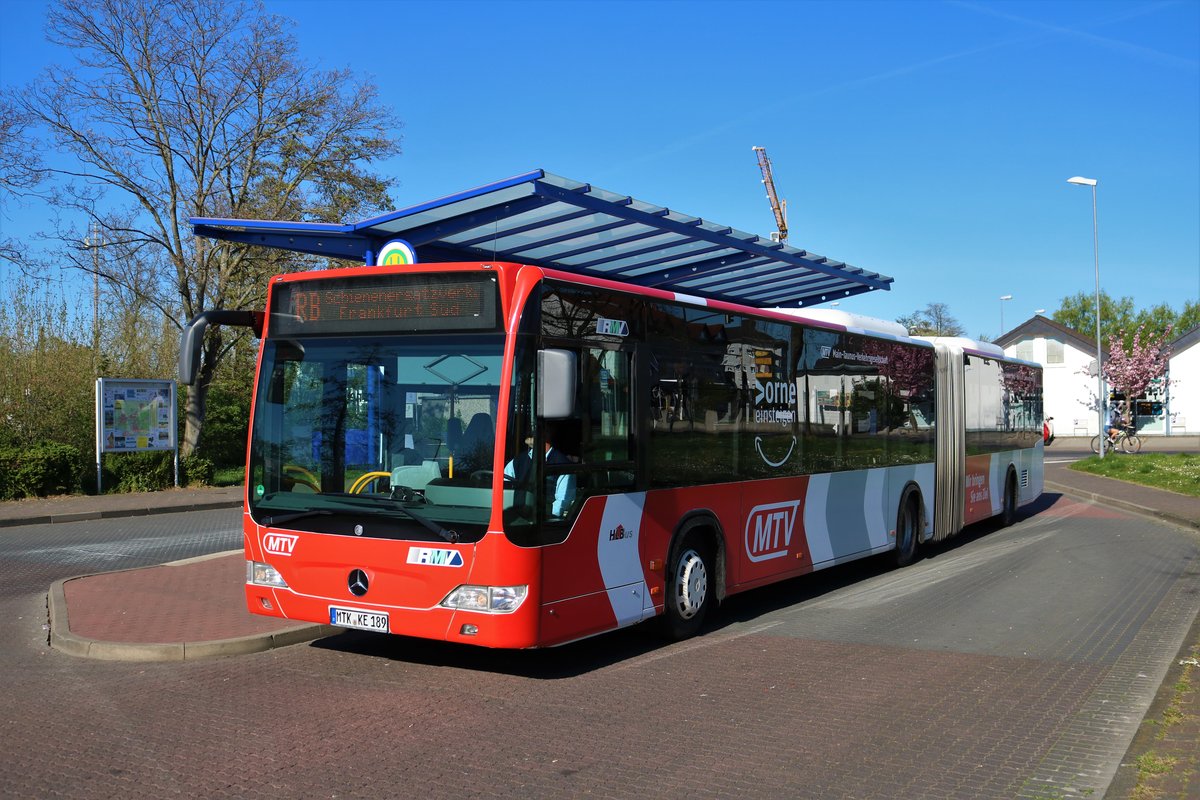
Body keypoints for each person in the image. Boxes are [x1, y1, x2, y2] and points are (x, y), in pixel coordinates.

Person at [504, 432, 577, 517]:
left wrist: (541, 514)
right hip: (517, 518)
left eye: (532, 431)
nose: (528, 434)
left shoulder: (563, 464)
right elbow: (503, 488)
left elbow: (563, 502)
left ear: (545, 434)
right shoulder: (517, 461)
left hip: (544, 523)